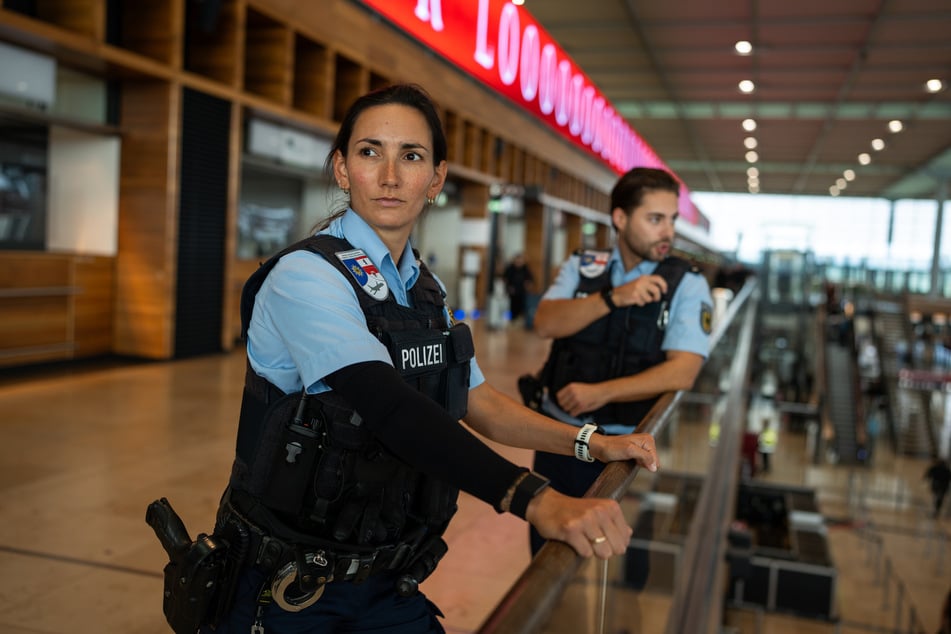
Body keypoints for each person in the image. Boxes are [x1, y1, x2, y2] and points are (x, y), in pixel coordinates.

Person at [172, 84, 659, 634]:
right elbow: (390, 409)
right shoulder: (304, 276)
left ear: (436, 179)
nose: (389, 175)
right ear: (340, 169)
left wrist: (587, 442)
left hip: (390, 584)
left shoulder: (424, 288)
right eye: (369, 151)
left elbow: (476, 401)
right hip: (288, 594)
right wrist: (536, 501)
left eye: (411, 156)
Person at [525, 166, 712, 554]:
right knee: (545, 548)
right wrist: (614, 298)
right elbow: (545, 323)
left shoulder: (687, 283)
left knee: (610, 556)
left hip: (626, 449)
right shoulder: (583, 267)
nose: (668, 232)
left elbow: (685, 370)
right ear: (621, 218)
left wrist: (602, 392)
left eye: (672, 220)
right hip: (559, 437)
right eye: (655, 219)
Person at [503, 253, 534, 325]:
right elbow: (505, 279)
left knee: (522, 305)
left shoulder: (525, 269)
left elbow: (530, 279)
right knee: (511, 306)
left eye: (520, 260)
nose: (519, 262)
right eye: (517, 260)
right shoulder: (510, 268)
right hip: (512, 292)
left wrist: (528, 284)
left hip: (522, 292)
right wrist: (508, 287)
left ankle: (519, 319)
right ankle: (511, 320)